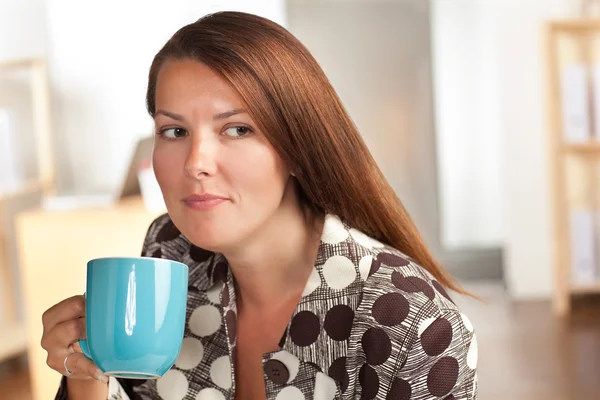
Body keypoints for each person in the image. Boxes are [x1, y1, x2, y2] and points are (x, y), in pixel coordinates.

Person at [41, 11, 478, 400]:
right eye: (174, 132)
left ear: (295, 146)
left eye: (236, 129)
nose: (196, 164)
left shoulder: (414, 323)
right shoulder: (170, 248)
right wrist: (84, 373)